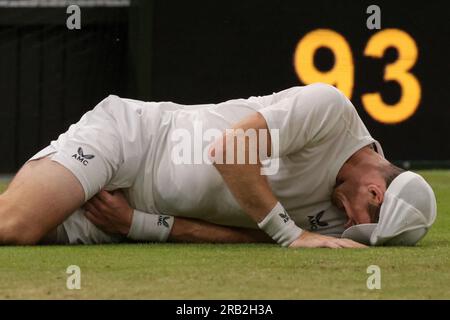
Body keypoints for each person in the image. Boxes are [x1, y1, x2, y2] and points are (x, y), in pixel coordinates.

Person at [0, 83, 436, 248]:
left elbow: (248, 235)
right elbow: (231, 151)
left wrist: (141, 225)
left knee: (19, 239)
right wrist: (293, 235)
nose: (349, 228)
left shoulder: (334, 229)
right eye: (362, 221)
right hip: (130, 139)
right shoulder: (331, 111)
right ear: (375, 193)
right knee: (15, 224)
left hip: (124, 216)